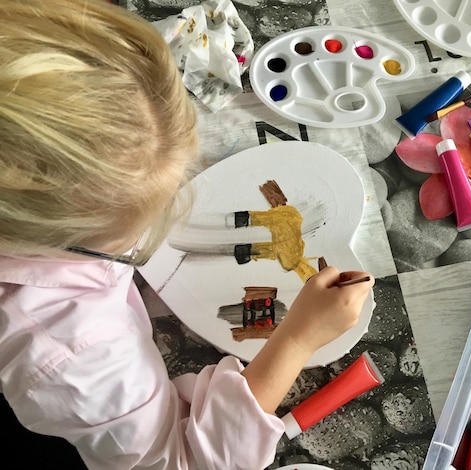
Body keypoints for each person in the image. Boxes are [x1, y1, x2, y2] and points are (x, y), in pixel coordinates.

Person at [0, 1, 375, 469]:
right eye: (149, 212)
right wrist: (298, 338)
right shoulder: (71, 356)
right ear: (61, 235)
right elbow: (184, 462)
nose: (179, 202)